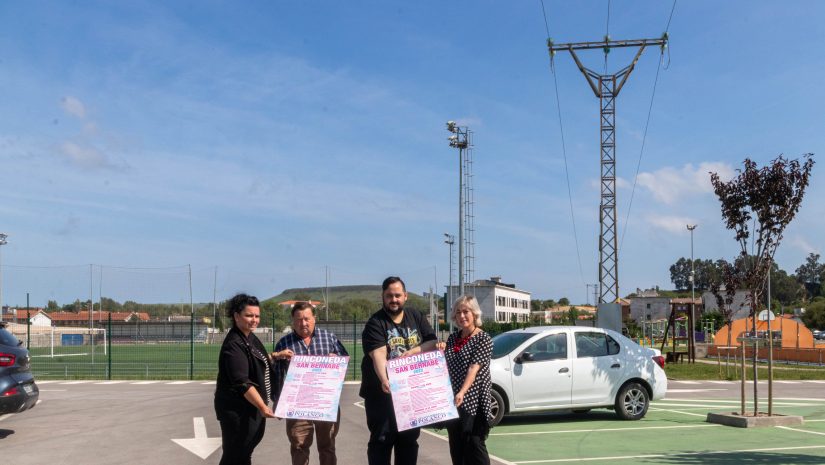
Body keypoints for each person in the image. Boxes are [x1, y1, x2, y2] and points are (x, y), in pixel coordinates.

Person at [360, 276, 438, 465]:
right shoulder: (375, 323)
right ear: (383, 297)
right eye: (389, 296)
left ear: (405, 296)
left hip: (410, 394)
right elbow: (378, 354)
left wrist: (413, 352)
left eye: (397, 295)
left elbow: (432, 342)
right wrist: (384, 379)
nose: (393, 300)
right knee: (381, 441)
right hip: (382, 396)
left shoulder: (415, 316)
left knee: (409, 442)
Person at [272, 301, 349, 465]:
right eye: (299, 320)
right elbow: (276, 375)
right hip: (297, 405)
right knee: (299, 447)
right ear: (293, 321)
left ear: (314, 318)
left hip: (324, 404)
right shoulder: (284, 343)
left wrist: (337, 361)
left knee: (327, 446)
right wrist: (278, 401)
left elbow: (344, 364)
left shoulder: (330, 339)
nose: (303, 323)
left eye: (307, 318)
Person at [214, 293, 276, 465]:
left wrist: (276, 356)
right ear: (236, 316)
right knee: (234, 456)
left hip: (251, 409)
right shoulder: (234, 344)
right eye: (249, 315)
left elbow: (255, 361)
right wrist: (263, 407)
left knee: (244, 454)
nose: (254, 320)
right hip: (238, 412)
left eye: (257, 316)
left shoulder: (249, 337)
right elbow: (242, 382)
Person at [439, 295, 493, 465]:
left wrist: (462, 391)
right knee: (457, 448)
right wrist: (440, 351)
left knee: (475, 446)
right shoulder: (453, 338)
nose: (462, 316)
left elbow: (473, 368)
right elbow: (445, 366)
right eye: (458, 313)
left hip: (473, 403)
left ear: (474, 313)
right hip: (453, 403)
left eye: (465, 312)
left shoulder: (483, 338)